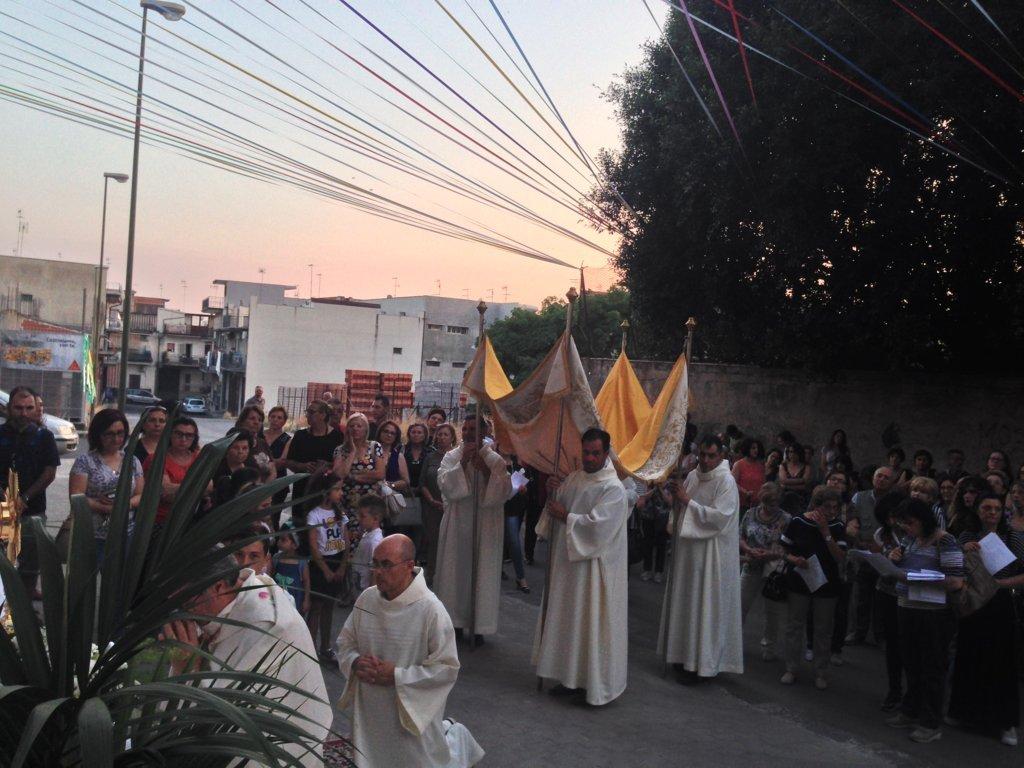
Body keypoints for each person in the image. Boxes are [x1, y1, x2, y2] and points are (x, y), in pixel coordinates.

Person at [160, 551, 330, 766]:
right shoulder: (235, 598)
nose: (179, 608)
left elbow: (220, 716)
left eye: (185, 598)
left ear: (219, 587)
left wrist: (186, 669)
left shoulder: (266, 627)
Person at [337, 534, 485, 768]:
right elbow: (345, 642)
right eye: (375, 563)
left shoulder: (431, 610)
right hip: (370, 709)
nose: (377, 571)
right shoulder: (366, 600)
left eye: (386, 565)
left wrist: (396, 676)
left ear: (409, 566)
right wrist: (355, 662)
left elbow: (446, 668)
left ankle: (457, 738)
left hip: (408, 711)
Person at [531, 428, 627, 705]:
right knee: (569, 622)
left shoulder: (614, 488)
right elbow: (555, 507)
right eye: (586, 452)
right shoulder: (575, 478)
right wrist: (552, 492)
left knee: (590, 624)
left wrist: (567, 516)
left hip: (594, 571)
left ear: (606, 453)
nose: (590, 458)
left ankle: (590, 684)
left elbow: (598, 529)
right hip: (568, 566)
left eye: (596, 453)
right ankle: (569, 678)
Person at [657, 434, 743, 681]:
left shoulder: (726, 482)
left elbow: (719, 518)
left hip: (710, 556)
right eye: (702, 455)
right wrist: (676, 501)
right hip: (688, 554)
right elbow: (683, 507)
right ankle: (682, 655)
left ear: (721, 456)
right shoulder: (693, 475)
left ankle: (700, 665)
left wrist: (687, 501)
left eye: (711, 456)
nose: (705, 460)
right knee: (686, 603)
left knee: (703, 606)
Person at [885, 498, 964, 744]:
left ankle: (930, 722)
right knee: (911, 662)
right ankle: (911, 709)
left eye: (910, 523)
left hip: (933, 612)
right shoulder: (909, 540)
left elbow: (955, 581)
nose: (906, 528)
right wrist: (893, 559)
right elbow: (899, 566)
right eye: (903, 524)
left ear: (924, 520)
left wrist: (925, 578)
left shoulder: (945, 541)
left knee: (932, 666)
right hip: (906, 606)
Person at [948, 492, 1022, 746]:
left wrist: (999, 584)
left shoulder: (1013, 537)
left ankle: (1006, 722)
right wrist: (962, 550)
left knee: (1002, 661)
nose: (992, 513)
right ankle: (965, 713)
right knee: (971, 656)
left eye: (997, 509)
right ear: (978, 511)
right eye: (987, 508)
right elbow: (953, 566)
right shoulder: (967, 536)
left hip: (1000, 603)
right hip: (974, 603)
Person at [434, 418, 511, 644]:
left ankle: (478, 625)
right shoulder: (451, 457)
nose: (467, 433)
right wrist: (463, 464)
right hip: (458, 525)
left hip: (485, 525)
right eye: (465, 429)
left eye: (473, 430)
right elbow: (445, 486)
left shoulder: (494, 460)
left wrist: (487, 472)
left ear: (484, 432)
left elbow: (504, 491)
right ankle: (455, 623)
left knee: (480, 573)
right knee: (455, 572)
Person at [779, 485, 848, 690]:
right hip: (800, 580)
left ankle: (821, 671)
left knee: (823, 629)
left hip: (827, 584)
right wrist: (794, 559)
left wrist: (826, 532)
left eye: (835, 508)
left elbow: (840, 557)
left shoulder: (837, 526)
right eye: (827, 507)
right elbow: (783, 548)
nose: (831, 512)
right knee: (794, 625)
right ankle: (791, 668)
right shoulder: (799, 521)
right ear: (816, 506)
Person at [0, 386, 60, 593]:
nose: (24, 413)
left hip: (32, 511)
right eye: (18, 408)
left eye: (29, 408)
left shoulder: (45, 437)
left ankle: (26, 615)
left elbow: (49, 472)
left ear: (35, 408)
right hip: (2, 509)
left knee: (30, 566)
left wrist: (24, 498)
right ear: (9, 409)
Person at [70, 408, 144, 564]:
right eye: (109, 433)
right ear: (98, 434)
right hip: (92, 534)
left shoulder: (132, 461)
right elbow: (76, 496)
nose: (116, 439)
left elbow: (140, 494)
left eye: (120, 433)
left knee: (118, 583)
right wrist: (103, 508)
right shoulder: (85, 461)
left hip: (125, 534)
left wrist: (125, 505)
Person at [739, 482, 790, 661]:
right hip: (751, 563)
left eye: (774, 503)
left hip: (773, 569)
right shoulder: (750, 514)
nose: (769, 508)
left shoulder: (785, 519)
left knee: (772, 612)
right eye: (767, 503)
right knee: (740, 605)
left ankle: (769, 646)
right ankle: (734, 642)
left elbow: (787, 547)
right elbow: (740, 536)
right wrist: (748, 549)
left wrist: (769, 554)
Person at [846, 466, 895, 644]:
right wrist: (858, 541)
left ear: (892, 482)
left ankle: (880, 637)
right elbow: (851, 522)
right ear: (873, 478)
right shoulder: (859, 497)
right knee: (861, 596)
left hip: (886, 555)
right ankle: (858, 633)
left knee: (882, 598)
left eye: (886, 478)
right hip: (863, 553)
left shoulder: (896, 501)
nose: (881, 480)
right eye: (879, 476)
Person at [307, 480, 349, 662]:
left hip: (336, 560)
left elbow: (346, 540)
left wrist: (342, 566)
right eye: (337, 489)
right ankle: (309, 649)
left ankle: (326, 646)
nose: (341, 492)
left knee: (329, 607)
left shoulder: (339, 513)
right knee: (316, 607)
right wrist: (324, 569)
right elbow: (314, 546)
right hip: (321, 564)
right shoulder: (314, 515)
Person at [872, 494, 906, 712]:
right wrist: (887, 560)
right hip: (887, 591)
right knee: (893, 644)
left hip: (909, 593)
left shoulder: (914, 532)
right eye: (889, 518)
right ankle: (894, 689)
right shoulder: (881, 534)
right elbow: (879, 562)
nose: (893, 521)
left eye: (896, 516)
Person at [280, 400, 341, 517]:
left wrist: (327, 466)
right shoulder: (300, 435)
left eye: (311, 412)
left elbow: (342, 465)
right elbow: (288, 461)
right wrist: (302, 466)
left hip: (325, 491)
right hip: (302, 489)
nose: (308, 415)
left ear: (323, 415)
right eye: (307, 412)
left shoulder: (337, 437)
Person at [143, 417, 200, 529]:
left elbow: (210, 486)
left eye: (189, 435)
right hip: (160, 521)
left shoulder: (199, 457)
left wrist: (178, 488)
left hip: (191, 519)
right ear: (169, 434)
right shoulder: (157, 459)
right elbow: (165, 491)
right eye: (179, 434)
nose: (183, 439)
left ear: (194, 438)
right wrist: (197, 488)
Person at [419, 423, 455, 583]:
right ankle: (431, 575)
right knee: (434, 542)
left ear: (452, 437)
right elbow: (422, 483)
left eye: (445, 434)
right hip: (431, 507)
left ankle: (447, 577)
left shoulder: (456, 457)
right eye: (439, 434)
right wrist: (432, 501)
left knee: (450, 542)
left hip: (451, 506)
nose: (441, 437)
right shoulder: (430, 457)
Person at [333, 413, 386, 513]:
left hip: (371, 502)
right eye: (352, 426)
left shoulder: (375, 446)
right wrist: (352, 451)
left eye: (359, 426)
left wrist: (353, 476)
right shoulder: (340, 450)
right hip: (347, 501)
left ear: (366, 429)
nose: (355, 429)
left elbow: (380, 474)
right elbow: (339, 475)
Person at [268, 522, 311, 616]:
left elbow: (306, 582)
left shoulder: (301, 562)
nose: (279, 542)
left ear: (295, 545)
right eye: (279, 539)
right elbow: (270, 576)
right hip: (278, 599)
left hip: (295, 600)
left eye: (283, 540)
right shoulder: (276, 558)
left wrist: (306, 600)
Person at [502, 457, 530, 593]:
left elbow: (525, 486)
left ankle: (520, 577)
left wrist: (524, 490)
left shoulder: (517, 465)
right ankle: (498, 570)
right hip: (495, 508)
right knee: (493, 541)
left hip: (511, 510)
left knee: (514, 542)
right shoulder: (494, 460)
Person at [351, 495, 387, 592]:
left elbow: (376, 571)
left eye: (362, 516)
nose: (359, 518)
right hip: (359, 588)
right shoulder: (367, 534)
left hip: (365, 592)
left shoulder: (375, 542)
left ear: (375, 519)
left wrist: (370, 597)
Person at [636, 482, 671, 584]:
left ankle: (658, 572)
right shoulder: (649, 483)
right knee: (647, 544)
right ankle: (647, 570)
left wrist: (660, 489)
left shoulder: (668, 485)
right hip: (648, 517)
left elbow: (669, 501)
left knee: (661, 546)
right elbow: (643, 498)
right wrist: (654, 488)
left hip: (662, 519)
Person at [233, 405, 276, 481]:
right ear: (242, 421)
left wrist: (266, 489)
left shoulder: (262, 442)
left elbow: (273, 467)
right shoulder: (235, 442)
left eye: (260, 420)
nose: (256, 422)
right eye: (252, 418)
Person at [264, 405, 292, 509]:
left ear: (284, 421)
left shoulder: (288, 440)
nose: (275, 420)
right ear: (269, 418)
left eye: (279, 418)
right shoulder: (260, 435)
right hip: (258, 481)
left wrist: (262, 462)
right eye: (273, 416)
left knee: (273, 516)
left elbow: (281, 462)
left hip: (278, 483)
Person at [731, 438, 766, 512]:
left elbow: (763, 484)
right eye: (753, 448)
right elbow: (732, 483)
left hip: (757, 506)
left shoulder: (761, 466)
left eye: (757, 448)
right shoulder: (739, 464)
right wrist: (745, 492)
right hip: (741, 505)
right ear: (747, 448)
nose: (756, 450)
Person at [377, 419, 410, 494]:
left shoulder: (398, 456)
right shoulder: (370, 452)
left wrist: (390, 485)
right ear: (379, 433)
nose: (389, 435)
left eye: (393, 433)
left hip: (391, 496)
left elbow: (406, 481)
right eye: (386, 431)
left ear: (396, 437)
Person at [404, 423, 432, 492]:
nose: (416, 435)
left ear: (425, 435)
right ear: (409, 434)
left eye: (419, 432)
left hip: (425, 493)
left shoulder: (430, 452)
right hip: (404, 492)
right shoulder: (402, 450)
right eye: (413, 432)